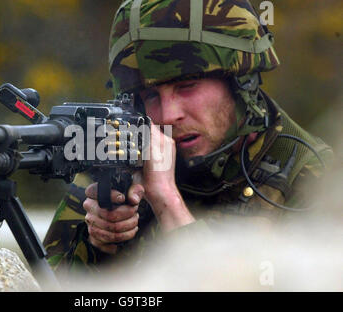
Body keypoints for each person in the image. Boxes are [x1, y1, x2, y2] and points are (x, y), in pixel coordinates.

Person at [42, 0, 333, 279]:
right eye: (151, 96)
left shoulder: (315, 181)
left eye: (187, 87)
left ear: (241, 82)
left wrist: (166, 200)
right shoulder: (122, 157)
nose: (167, 115)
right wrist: (98, 247)